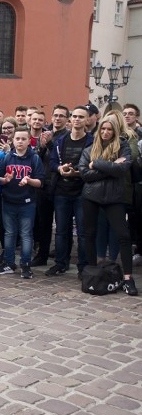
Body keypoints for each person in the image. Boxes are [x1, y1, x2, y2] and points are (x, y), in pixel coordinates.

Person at [78, 116, 137, 295]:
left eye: (109, 129)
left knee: (123, 235)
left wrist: (97, 164)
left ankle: (128, 278)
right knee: (89, 234)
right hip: (91, 196)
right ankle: (92, 272)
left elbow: (121, 170)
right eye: (103, 129)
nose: (105, 132)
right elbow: (84, 174)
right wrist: (110, 167)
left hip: (114, 197)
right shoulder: (89, 149)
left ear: (115, 131)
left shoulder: (123, 146)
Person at [46, 106, 92, 277]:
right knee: (61, 231)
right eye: (75, 116)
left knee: (82, 232)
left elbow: (94, 165)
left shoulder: (92, 141)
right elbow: (51, 163)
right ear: (70, 119)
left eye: (81, 117)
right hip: (62, 190)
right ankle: (60, 263)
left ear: (87, 120)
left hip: (82, 191)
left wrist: (78, 173)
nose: (77, 119)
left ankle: (83, 267)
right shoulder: (61, 141)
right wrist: (60, 168)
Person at [0, 126, 45, 279]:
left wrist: (29, 180)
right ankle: (9, 263)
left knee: (26, 234)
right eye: (18, 139)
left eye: (24, 139)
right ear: (13, 140)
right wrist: (6, 179)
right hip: (9, 201)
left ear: (29, 141)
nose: (20, 141)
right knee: (9, 233)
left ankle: (25, 264)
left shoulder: (34, 158)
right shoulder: (7, 157)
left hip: (27, 203)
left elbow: (41, 182)